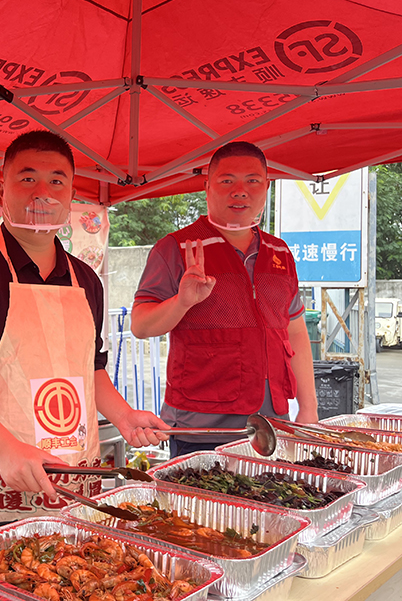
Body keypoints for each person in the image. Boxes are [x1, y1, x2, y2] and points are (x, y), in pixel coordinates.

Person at [0, 130, 169, 542]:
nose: (43, 193)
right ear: (2, 190)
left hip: (74, 481)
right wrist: (6, 447)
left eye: (57, 180)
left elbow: (91, 367)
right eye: (27, 178)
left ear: (71, 194)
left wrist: (124, 416)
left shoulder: (86, 280)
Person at [131, 141, 318, 458]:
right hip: (200, 429)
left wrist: (309, 408)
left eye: (252, 181)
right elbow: (141, 325)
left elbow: (296, 331)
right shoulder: (176, 248)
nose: (240, 191)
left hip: (272, 426)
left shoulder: (280, 252)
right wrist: (182, 301)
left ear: (266, 187)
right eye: (227, 180)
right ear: (207, 186)